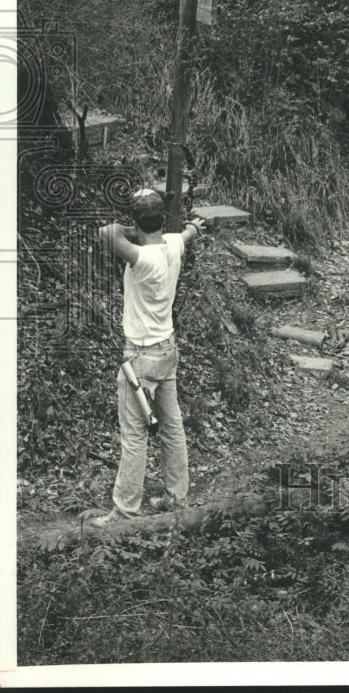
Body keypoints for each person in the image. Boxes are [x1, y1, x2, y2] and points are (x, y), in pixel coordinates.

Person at [90, 188, 206, 526]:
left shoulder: (142, 258)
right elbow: (188, 233)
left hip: (140, 358)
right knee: (172, 427)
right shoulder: (172, 244)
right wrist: (194, 228)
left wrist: (132, 229)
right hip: (167, 350)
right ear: (162, 219)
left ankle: (126, 510)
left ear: (138, 220)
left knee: (135, 435)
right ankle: (176, 497)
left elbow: (105, 233)